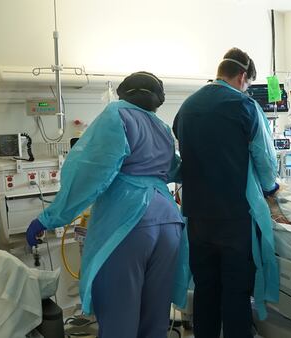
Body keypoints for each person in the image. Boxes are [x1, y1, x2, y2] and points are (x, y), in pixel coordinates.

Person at [25, 72, 185, 338]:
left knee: (119, 322)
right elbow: (175, 170)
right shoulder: (161, 127)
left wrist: (49, 218)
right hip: (169, 222)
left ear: (124, 93)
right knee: (155, 321)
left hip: (129, 222)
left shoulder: (116, 115)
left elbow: (90, 175)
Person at [173, 47, 279, 338]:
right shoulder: (244, 106)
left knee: (206, 289)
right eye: (247, 84)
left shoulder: (187, 106)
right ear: (243, 77)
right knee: (235, 292)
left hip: (196, 216)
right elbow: (265, 160)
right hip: (233, 218)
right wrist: (272, 190)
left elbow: (184, 151)